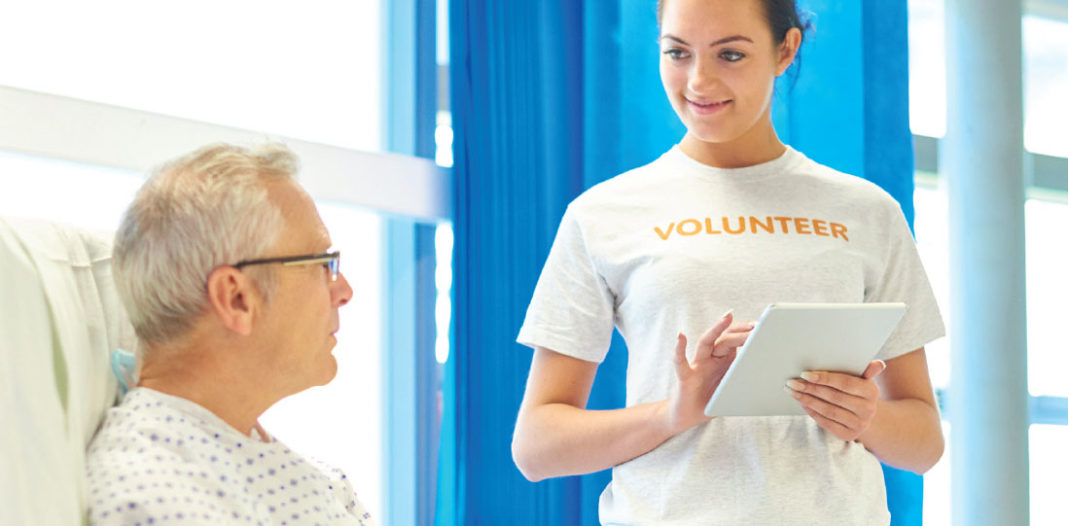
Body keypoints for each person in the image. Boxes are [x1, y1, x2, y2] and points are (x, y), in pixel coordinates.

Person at [511, 0, 945, 524]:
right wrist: (673, 415)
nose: (698, 81)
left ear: (786, 50)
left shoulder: (867, 213)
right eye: (677, 52)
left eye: (731, 54)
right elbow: (536, 447)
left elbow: (924, 444)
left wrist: (864, 417)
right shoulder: (602, 214)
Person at [85, 143, 375, 525]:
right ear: (236, 298)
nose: (345, 291)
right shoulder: (150, 493)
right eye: (322, 264)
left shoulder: (324, 483)